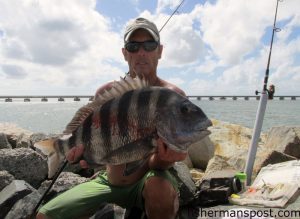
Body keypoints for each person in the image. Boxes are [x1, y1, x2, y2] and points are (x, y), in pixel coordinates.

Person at [36, 17, 187, 219]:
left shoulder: (173, 97)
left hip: (149, 180)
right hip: (108, 181)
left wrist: (163, 159)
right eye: (133, 46)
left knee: (158, 190)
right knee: (44, 216)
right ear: (125, 53)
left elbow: (160, 158)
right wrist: (81, 154)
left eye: (149, 45)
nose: (141, 52)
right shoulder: (107, 93)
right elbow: (88, 134)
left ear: (159, 51)